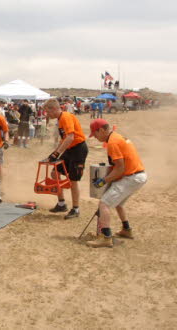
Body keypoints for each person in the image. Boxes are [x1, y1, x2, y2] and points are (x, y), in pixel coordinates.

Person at [87, 119, 148, 248]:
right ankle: (126, 229)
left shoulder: (113, 143)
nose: (95, 137)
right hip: (138, 175)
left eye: (95, 134)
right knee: (118, 204)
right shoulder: (116, 136)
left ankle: (106, 238)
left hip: (131, 177)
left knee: (104, 203)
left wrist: (104, 180)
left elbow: (120, 168)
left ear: (102, 130)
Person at [43, 98, 88, 219]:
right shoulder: (60, 119)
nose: (47, 114)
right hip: (69, 149)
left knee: (73, 180)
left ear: (54, 109)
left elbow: (70, 137)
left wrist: (56, 154)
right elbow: (64, 139)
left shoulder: (65, 117)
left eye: (48, 111)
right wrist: (53, 153)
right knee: (55, 173)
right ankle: (61, 203)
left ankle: (76, 209)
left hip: (78, 149)